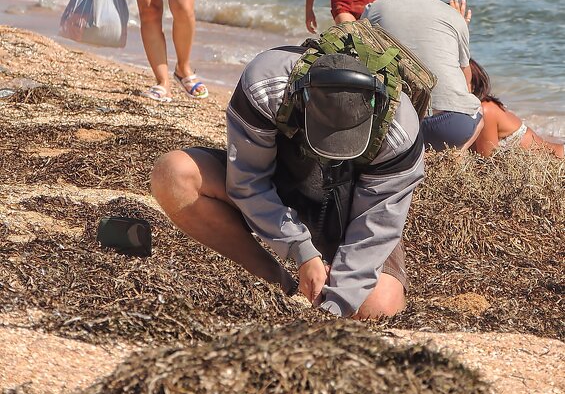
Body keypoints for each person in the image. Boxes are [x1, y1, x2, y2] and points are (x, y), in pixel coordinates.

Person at [151, 43, 425, 319]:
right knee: (173, 174)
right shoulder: (266, 84)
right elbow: (249, 183)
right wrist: (302, 252)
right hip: (281, 183)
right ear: (302, 97)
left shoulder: (399, 132)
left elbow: (374, 227)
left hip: (350, 214)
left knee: (377, 309)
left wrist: (334, 309)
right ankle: (276, 283)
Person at [362, 0, 483, 152]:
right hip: (449, 128)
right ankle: (456, 159)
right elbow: (465, 75)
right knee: (480, 111)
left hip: (396, 125)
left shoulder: (374, 9)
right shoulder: (454, 16)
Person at [469, 59, 564, 158]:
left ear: (473, 84)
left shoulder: (485, 110)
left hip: (558, 161)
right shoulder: (468, 112)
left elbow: (487, 162)